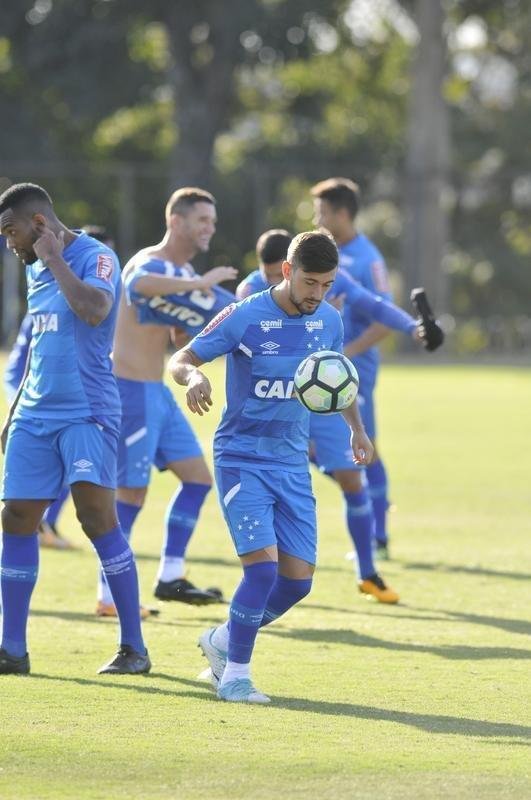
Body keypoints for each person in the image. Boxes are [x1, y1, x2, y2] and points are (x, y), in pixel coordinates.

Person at [168, 231, 374, 704]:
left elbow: (337, 380)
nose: (316, 295)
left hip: (291, 461)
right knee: (261, 572)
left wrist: (356, 429)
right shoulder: (245, 316)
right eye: (309, 283)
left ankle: (222, 641)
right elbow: (182, 357)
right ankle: (236, 676)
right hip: (242, 458)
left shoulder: (329, 321)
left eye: (326, 285)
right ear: (286, 271)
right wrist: (195, 375)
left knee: (296, 582)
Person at [0, 182, 149, 675]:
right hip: (34, 415)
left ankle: (134, 648)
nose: (8, 244)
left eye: (11, 231)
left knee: (96, 519)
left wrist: (54, 259)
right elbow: (42, 343)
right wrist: (14, 411)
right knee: (16, 518)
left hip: (87, 412)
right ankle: (12, 649)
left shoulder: (96, 256)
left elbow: (95, 309)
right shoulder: (35, 270)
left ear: (38, 224)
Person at [234, 230, 427, 603]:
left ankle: (368, 572)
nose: (280, 283)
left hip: (322, 400)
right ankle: (266, 575)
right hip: (274, 411)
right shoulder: (249, 295)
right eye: (272, 276)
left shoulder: (322, 292)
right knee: (274, 493)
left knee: (353, 480)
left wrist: (413, 327)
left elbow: (372, 304)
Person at [100, 186, 237, 618]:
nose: (209, 228)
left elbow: (177, 333)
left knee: (198, 479)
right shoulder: (151, 261)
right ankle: (108, 595)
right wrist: (200, 283)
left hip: (157, 392)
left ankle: (170, 575)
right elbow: (137, 282)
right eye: (203, 220)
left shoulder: (183, 271)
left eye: (212, 222)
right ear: (176, 221)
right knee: (132, 493)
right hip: (128, 392)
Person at [3, 225, 116, 551]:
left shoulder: (89, 279)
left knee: (91, 504)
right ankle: (45, 524)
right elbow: (29, 354)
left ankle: (48, 522)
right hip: (32, 394)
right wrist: (15, 408)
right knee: (18, 511)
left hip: (78, 403)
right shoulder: (43, 280)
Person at [312, 177, 398, 558]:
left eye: (322, 212)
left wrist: (343, 352)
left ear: (342, 214)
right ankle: (362, 498)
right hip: (323, 370)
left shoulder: (367, 258)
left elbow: (385, 319)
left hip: (353, 370)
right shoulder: (323, 254)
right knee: (318, 445)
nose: (317, 219)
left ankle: (378, 536)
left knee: (367, 448)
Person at [235, 229, 292, 300]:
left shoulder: (305, 286)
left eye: (280, 274)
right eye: (267, 275)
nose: (273, 282)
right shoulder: (248, 291)